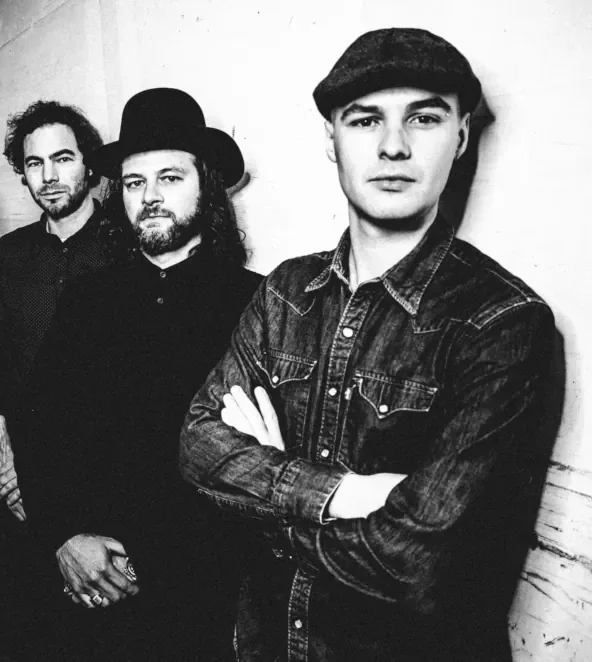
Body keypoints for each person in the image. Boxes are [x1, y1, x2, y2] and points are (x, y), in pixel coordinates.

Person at [180, 28, 556, 661]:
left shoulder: (502, 322)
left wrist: (269, 496)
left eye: (424, 118)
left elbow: (417, 567)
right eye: (364, 120)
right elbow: (197, 444)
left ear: (462, 135)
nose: (393, 145)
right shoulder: (286, 292)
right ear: (332, 140)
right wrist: (349, 495)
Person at [14, 88, 262, 660]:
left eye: (169, 178)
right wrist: (64, 537)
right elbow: (38, 426)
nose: (149, 197)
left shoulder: (256, 304)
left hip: (204, 595)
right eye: (133, 183)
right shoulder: (87, 300)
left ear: (207, 186)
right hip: (89, 585)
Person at [0, 100, 126, 521]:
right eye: (35, 163)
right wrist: (3, 459)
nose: (49, 176)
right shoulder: (9, 254)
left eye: (63, 158)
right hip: (18, 477)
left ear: (89, 166)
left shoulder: (126, 248)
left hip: (106, 482)